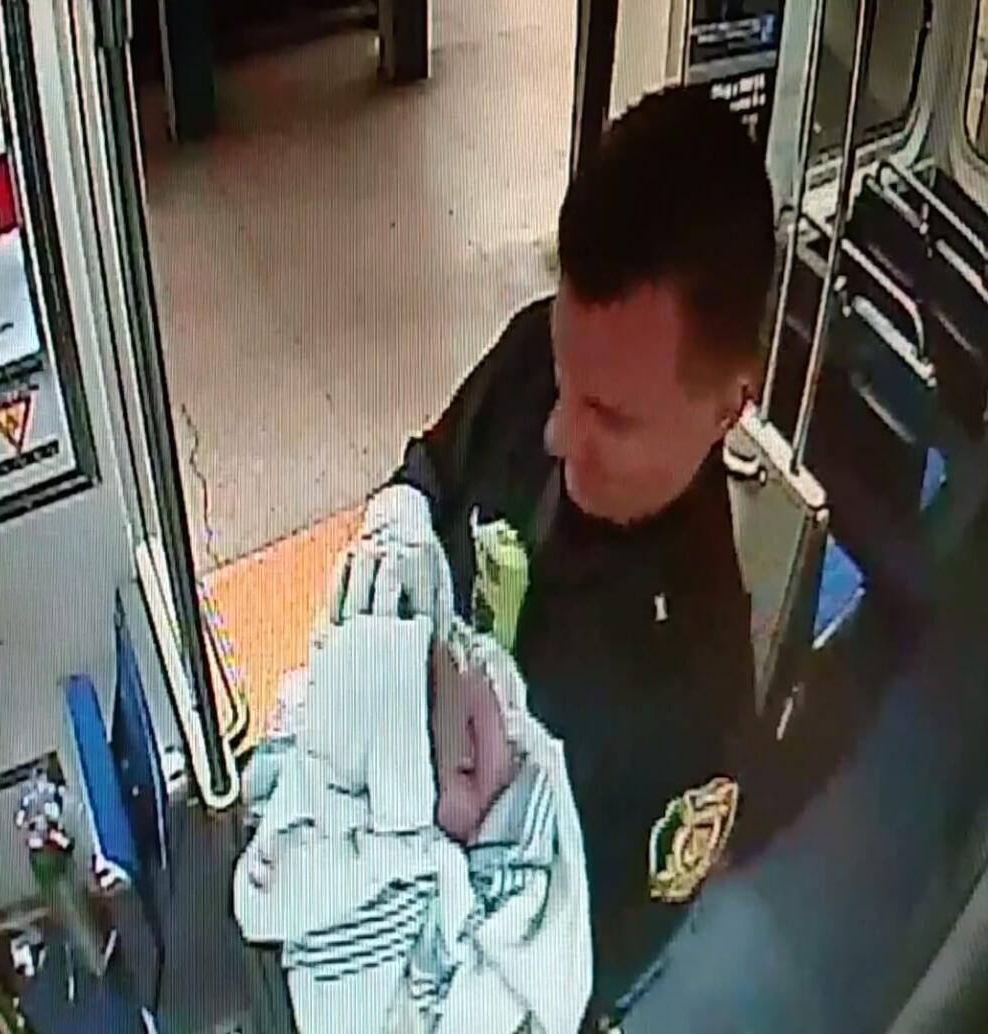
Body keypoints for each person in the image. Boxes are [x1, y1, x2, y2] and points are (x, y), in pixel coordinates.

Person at [331, 83, 781, 1029]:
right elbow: (444, 457)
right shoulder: (551, 354)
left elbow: (585, 975)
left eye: (610, 418)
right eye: (567, 381)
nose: (555, 434)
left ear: (729, 407)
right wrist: (401, 508)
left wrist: (486, 888)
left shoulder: (690, 713)